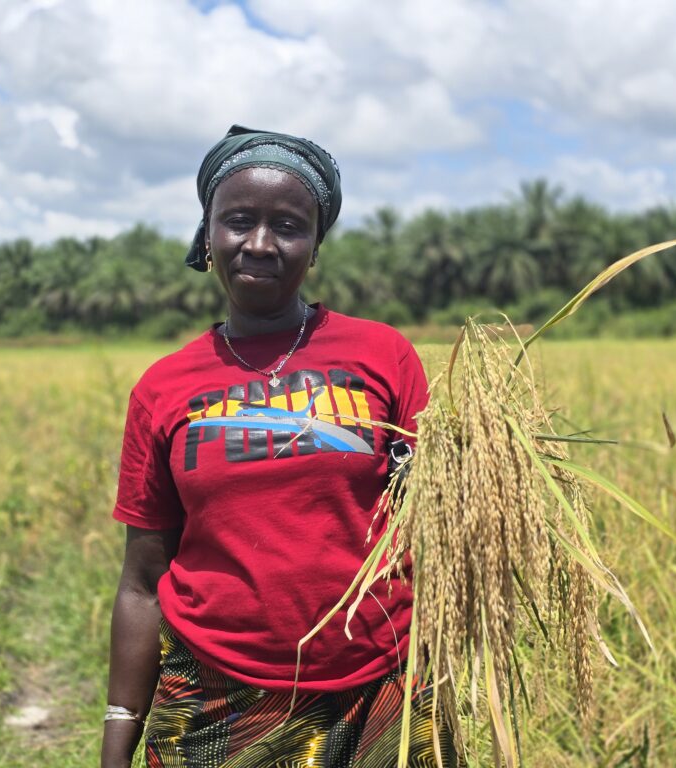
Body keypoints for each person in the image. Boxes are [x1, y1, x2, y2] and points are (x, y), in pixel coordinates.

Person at [101, 126, 455, 767]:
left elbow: (442, 525)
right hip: (216, 698)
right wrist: (117, 736)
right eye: (239, 221)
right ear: (207, 234)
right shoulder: (163, 388)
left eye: (289, 227)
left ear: (315, 246)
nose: (260, 243)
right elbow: (142, 583)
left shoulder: (382, 355)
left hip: (382, 687)